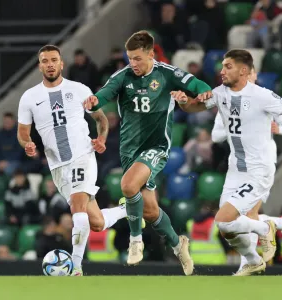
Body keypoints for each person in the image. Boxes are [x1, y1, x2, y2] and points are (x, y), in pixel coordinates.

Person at [171, 49, 282, 276]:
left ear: (244, 71)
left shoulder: (261, 95)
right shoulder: (220, 92)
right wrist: (184, 102)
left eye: (228, 66)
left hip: (258, 170)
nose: (222, 71)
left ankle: (266, 228)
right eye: (222, 66)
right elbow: (195, 106)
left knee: (225, 218)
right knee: (226, 227)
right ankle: (254, 257)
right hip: (236, 168)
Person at [84, 30, 213, 275]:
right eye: (130, 58)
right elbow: (105, 93)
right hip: (129, 150)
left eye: (138, 58)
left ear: (151, 54)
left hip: (156, 147)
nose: (133, 63)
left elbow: (196, 84)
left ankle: (136, 241)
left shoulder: (167, 74)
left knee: (128, 186)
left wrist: (204, 90)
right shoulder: (122, 76)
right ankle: (178, 244)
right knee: (150, 210)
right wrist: (95, 101)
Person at [17, 45, 136, 276]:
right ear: (39, 65)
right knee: (97, 223)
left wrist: (101, 138)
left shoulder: (79, 89)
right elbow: (22, 132)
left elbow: (101, 119)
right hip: (57, 165)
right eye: (45, 61)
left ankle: (77, 267)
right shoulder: (29, 97)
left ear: (62, 64)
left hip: (82, 155)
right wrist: (27, 144)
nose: (50, 64)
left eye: (54, 60)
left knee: (78, 209)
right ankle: (129, 209)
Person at [211, 65, 282, 274]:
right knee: (232, 221)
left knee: (250, 213)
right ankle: (280, 224)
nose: (248, 77)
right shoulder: (227, 101)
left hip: (261, 166)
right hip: (237, 167)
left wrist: (279, 128)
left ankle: (249, 262)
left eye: (251, 74)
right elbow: (215, 136)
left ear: (254, 75)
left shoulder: (265, 98)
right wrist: (233, 126)